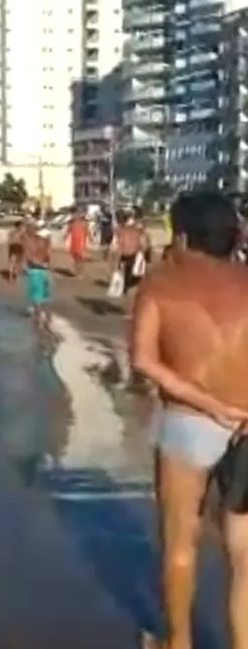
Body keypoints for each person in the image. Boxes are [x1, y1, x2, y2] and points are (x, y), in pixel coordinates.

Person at [132, 191, 247, 649]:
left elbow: (143, 360)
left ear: (182, 237)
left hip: (189, 424)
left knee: (182, 542)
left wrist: (210, 404)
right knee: (245, 553)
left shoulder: (162, 284)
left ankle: (178, 643)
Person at [115, 213, 152, 307]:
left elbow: (119, 245)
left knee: (128, 281)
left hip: (128, 256)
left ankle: (128, 300)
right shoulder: (135, 231)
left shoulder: (123, 230)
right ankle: (129, 303)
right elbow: (144, 244)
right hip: (132, 256)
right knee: (132, 281)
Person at [23, 221, 53, 332]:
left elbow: (28, 257)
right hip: (45, 272)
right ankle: (48, 320)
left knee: (36, 298)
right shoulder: (45, 242)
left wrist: (26, 266)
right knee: (46, 297)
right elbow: (48, 257)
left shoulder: (31, 242)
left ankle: (37, 321)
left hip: (35, 271)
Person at [66, 210, 90, 277]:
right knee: (75, 258)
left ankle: (80, 273)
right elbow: (68, 231)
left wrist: (90, 239)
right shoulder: (72, 223)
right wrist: (65, 237)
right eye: (75, 214)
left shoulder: (84, 223)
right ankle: (76, 272)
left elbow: (87, 232)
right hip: (74, 242)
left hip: (81, 241)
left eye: (77, 214)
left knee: (80, 258)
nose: (75, 216)